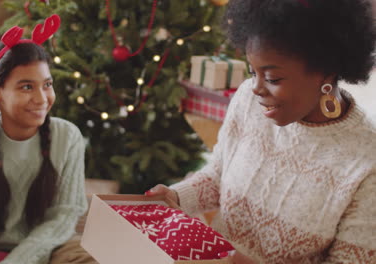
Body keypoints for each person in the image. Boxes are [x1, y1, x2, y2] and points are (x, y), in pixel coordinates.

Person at [147, 0, 376, 263]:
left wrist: (236, 261)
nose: (255, 87)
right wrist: (176, 196)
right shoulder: (248, 99)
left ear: (326, 71)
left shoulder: (367, 161)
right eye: (252, 71)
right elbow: (219, 174)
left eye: (272, 78)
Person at [0, 15, 96, 264]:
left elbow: (64, 216)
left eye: (47, 84)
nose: (42, 98)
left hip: (49, 246)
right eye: (26, 87)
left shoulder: (68, 137)